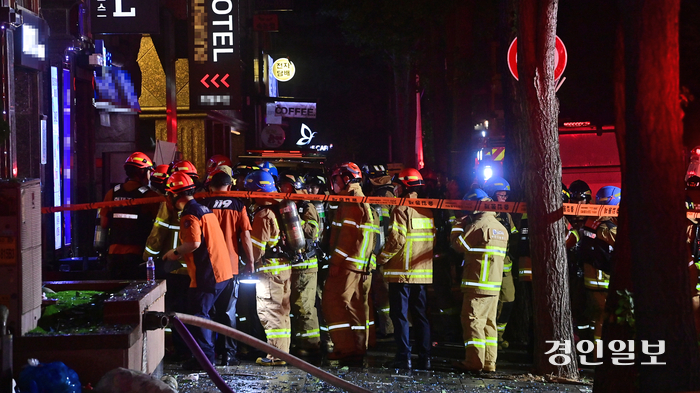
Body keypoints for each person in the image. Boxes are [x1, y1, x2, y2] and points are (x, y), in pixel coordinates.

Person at [162, 171, 233, 370]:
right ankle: (208, 356)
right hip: (221, 273)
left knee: (199, 316)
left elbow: (193, 242)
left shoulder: (189, 214)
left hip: (207, 275)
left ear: (174, 195)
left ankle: (204, 361)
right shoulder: (203, 209)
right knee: (205, 315)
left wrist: (173, 253)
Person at [377, 168, 435, 370]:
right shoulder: (427, 209)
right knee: (420, 315)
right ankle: (425, 357)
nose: (396, 189)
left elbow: (396, 240)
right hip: (422, 272)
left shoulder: (401, 209)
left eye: (398, 185)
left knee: (400, 316)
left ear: (405, 186)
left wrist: (381, 258)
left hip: (402, 272)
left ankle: (404, 357)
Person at [323, 162, 377, 361]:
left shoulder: (351, 200)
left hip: (347, 264)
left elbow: (347, 236)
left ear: (346, 179)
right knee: (354, 305)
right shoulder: (357, 197)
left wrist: (336, 261)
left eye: (335, 179)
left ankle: (346, 347)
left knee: (333, 302)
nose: (333, 184)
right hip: (357, 263)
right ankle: (358, 347)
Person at [451, 188, 508, 373]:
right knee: (490, 323)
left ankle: (474, 362)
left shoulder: (479, 226)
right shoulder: (501, 227)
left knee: (473, 321)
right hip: (494, 284)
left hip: (477, 283)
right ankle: (489, 362)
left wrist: (458, 224)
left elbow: (459, 245)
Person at [202, 170, 254, 366]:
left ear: (210, 186)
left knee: (205, 311)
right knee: (227, 311)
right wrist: (250, 261)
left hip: (207, 265)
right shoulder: (238, 205)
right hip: (230, 267)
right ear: (230, 187)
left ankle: (208, 353)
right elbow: (245, 236)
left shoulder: (203, 204)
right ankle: (228, 355)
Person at [246, 170, 293, 366]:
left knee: (270, 312)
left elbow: (257, 249)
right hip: (283, 268)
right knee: (282, 311)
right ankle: (283, 352)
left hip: (269, 271)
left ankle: (275, 356)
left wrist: (248, 263)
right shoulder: (277, 208)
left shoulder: (263, 214)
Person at [278, 173, 322, 356]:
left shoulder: (306, 205)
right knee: (295, 306)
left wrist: (295, 220)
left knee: (304, 306)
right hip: (292, 263)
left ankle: (312, 345)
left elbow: (313, 231)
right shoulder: (285, 204)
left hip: (306, 264)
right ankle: (300, 341)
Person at [100, 152, 160, 280]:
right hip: (137, 255)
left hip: (113, 254)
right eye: (149, 172)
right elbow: (159, 227)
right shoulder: (151, 197)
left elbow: (104, 224)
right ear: (143, 172)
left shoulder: (112, 193)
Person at [578, 186, 619, 346]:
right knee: (603, 319)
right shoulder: (606, 228)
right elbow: (624, 242)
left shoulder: (592, 221)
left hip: (593, 278)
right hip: (601, 280)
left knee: (597, 318)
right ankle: (599, 356)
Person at [482, 176, 518, 350]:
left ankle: (498, 336)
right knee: (488, 303)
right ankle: (488, 339)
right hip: (487, 267)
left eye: (506, 196)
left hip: (505, 268)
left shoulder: (506, 214)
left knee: (508, 300)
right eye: (501, 196)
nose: (505, 199)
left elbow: (514, 235)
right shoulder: (483, 214)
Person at [362, 163, 395, 343]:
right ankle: (387, 326)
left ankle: (387, 328)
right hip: (386, 249)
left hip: (382, 250)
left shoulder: (382, 196)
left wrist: (377, 252)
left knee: (383, 292)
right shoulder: (388, 192)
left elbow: (380, 227)